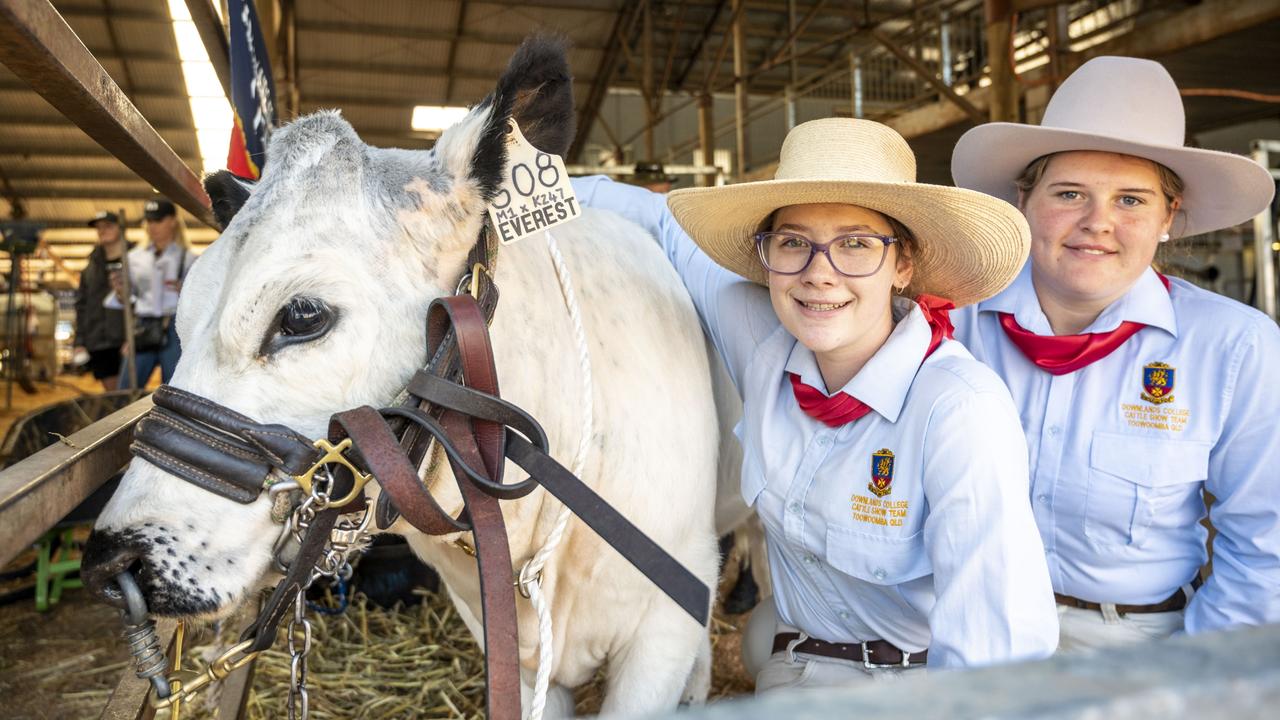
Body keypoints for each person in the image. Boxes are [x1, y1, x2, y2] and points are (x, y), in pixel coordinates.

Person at [573, 118, 1058, 693]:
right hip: (794, 665)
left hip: (910, 686)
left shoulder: (958, 409)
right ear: (767, 254)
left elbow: (994, 653)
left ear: (904, 264)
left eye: (856, 243)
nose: (818, 273)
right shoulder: (762, 336)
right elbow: (662, 222)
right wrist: (507, 180)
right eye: (794, 242)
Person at [949, 56, 1280, 651]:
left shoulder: (1234, 348)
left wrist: (1194, 677)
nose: (1097, 223)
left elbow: (1266, 545)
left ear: (1167, 218)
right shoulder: (952, 323)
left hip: (1134, 644)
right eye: (1070, 193)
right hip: (962, 631)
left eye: (1131, 200)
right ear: (1024, 201)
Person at [106, 198, 195, 388]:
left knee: (174, 388)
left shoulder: (188, 258)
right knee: (126, 387)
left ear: (172, 221)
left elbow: (200, 301)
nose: (152, 226)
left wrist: (185, 291)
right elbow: (127, 300)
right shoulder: (133, 257)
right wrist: (121, 292)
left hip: (175, 327)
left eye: (158, 220)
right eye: (149, 221)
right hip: (143, 326)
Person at [74, 211, 129, 390]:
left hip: (126, 340)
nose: (102, 230)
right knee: (114, 394)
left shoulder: (136, 259)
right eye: (99, 227)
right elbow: (81, 306)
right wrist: (79, 342)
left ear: (121, 229)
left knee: (131, 391)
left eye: (108, 226)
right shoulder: (90, 267)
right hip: (98, 341)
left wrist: (134, 335)